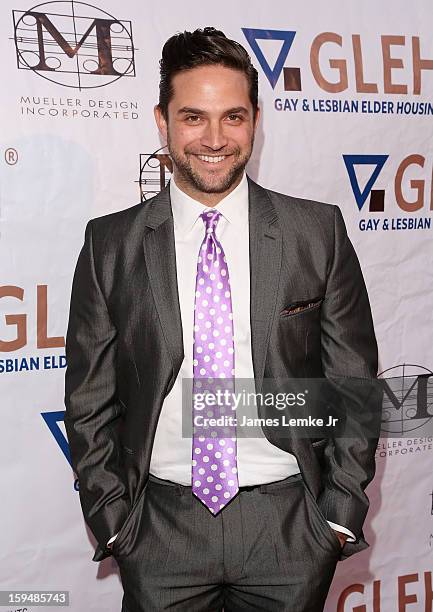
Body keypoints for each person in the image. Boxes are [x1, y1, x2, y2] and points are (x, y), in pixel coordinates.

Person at [64, 27, 380, 612]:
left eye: (233, 117)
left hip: (290, 524)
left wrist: (336, 515)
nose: (214, 138)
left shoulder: (317, 233)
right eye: (193, 117)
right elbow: (89, 400)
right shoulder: (110, 244)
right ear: (162, 121)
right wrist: (114, 522)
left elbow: (354, 387)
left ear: (255, 120)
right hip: (159, 527)